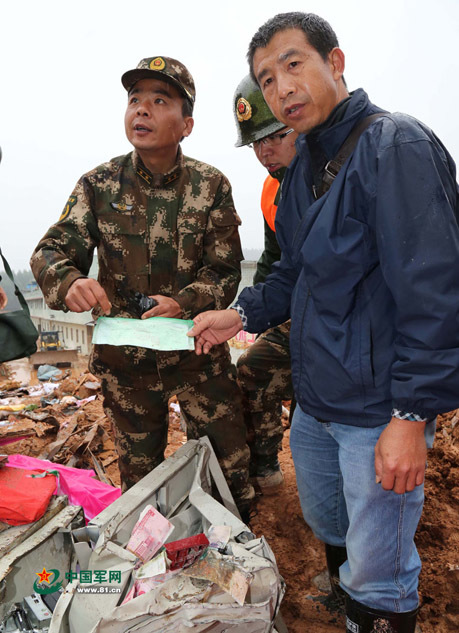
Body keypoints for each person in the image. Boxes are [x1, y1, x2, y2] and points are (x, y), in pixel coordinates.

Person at [188, 12, 459, 633]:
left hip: (377, 409)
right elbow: (294, 276)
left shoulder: (395, 146)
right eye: (266, 76)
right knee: (329, 519)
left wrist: (412, 417)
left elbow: (436, 295)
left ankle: (377, 609)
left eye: (293, 64)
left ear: (334, 62)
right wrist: (240, 312)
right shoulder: (302, 169)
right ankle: (346, 593)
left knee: (381, 564)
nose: (281, 87)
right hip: (317, 402)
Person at [30, 56, 254, 518]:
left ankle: (234, 557)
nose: (142, 110)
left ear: (186, 123)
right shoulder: (98, 185)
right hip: (126, 365)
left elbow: (226, 270)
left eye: (159, 100)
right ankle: (151, 566)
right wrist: (69, 280)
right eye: (134, 100)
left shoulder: (211, 186)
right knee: (142, 486)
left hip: (197, 354)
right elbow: (51, 250)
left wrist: (185, 302)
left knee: (228, 469)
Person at [233, 74, 297, 491]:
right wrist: (250, 312)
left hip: (351, 325)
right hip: (298, 311)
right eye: (256, 142)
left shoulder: (340, 178)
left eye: (276, 135)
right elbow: (275, 262)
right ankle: (265, 464)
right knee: (251, 367)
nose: (265, 151)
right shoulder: (270, 190)